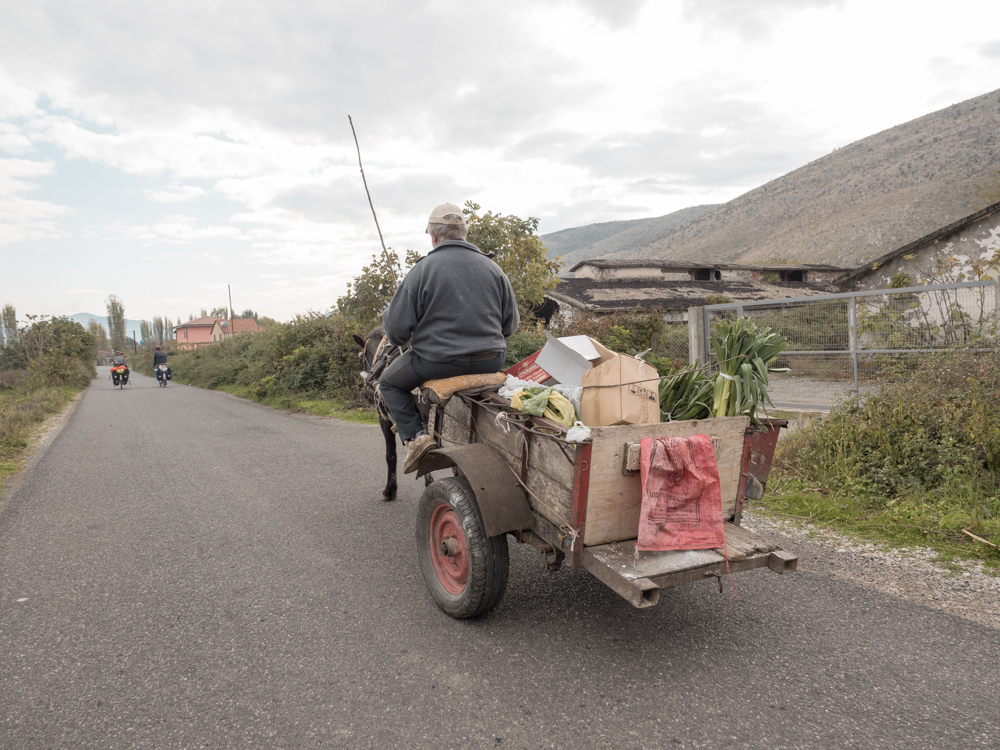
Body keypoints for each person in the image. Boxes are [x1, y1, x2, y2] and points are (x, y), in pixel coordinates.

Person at [380, 202, 520, 473]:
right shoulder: (494, 269)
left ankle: (416, 438)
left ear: (434, 236)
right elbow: (509, 326)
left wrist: (390, 315)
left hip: (437, 361)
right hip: (490, 360)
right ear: (464, 232)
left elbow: (396, 334)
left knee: (388, 383)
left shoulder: (422, 270)